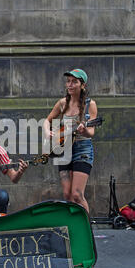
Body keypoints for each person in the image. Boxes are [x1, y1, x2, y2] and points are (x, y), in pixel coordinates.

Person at [43, 68, 98, 213]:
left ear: (83, 85)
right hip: (64, 148)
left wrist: (84, 129)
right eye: (68, 81)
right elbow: (47, 121)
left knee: (77, 195)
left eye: (74, 82)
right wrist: (47, 131)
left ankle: (87, 230)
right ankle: (74, 228)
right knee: (67, 195)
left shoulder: (89, 104)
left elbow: (91, 132)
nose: (70, 85)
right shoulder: (62, 103)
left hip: (82, 149)